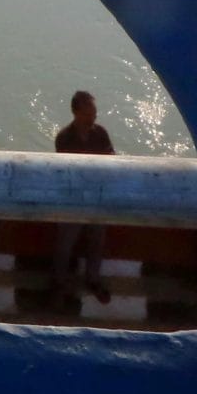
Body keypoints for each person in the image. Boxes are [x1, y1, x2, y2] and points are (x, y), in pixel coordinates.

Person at [54, 90, 114, 303]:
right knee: (64, 245)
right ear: (75, 112)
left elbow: (111, 162)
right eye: (88, 114)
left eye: (94, 113)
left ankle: (93, 280)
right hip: (73, 201)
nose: (93, 118)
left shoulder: (101, 134)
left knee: (97, 243)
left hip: (96, 200)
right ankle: (59, 283)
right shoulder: (63, 138)